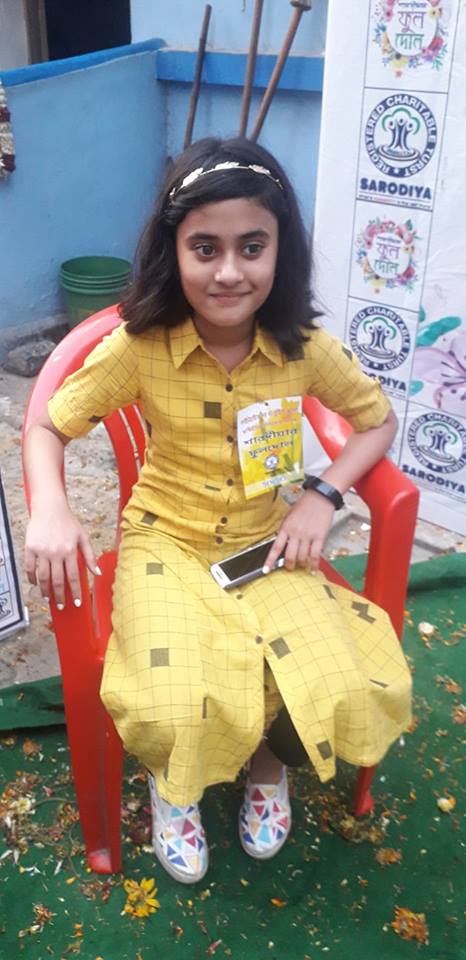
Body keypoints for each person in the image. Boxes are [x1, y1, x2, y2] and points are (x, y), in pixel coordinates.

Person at [24, 137, 412, 885]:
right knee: (171, 700)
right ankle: (175, 786)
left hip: (270, 543)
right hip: (165, 541)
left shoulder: (304, 348)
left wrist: (323, 494)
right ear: (174, 252)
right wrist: (50, 507)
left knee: (337, 683)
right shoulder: (139, 347)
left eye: (251, 247)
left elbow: (377, 421)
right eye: (206, 248)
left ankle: (267, 766)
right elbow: (46, 425)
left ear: (280, 251)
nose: (229, 271)